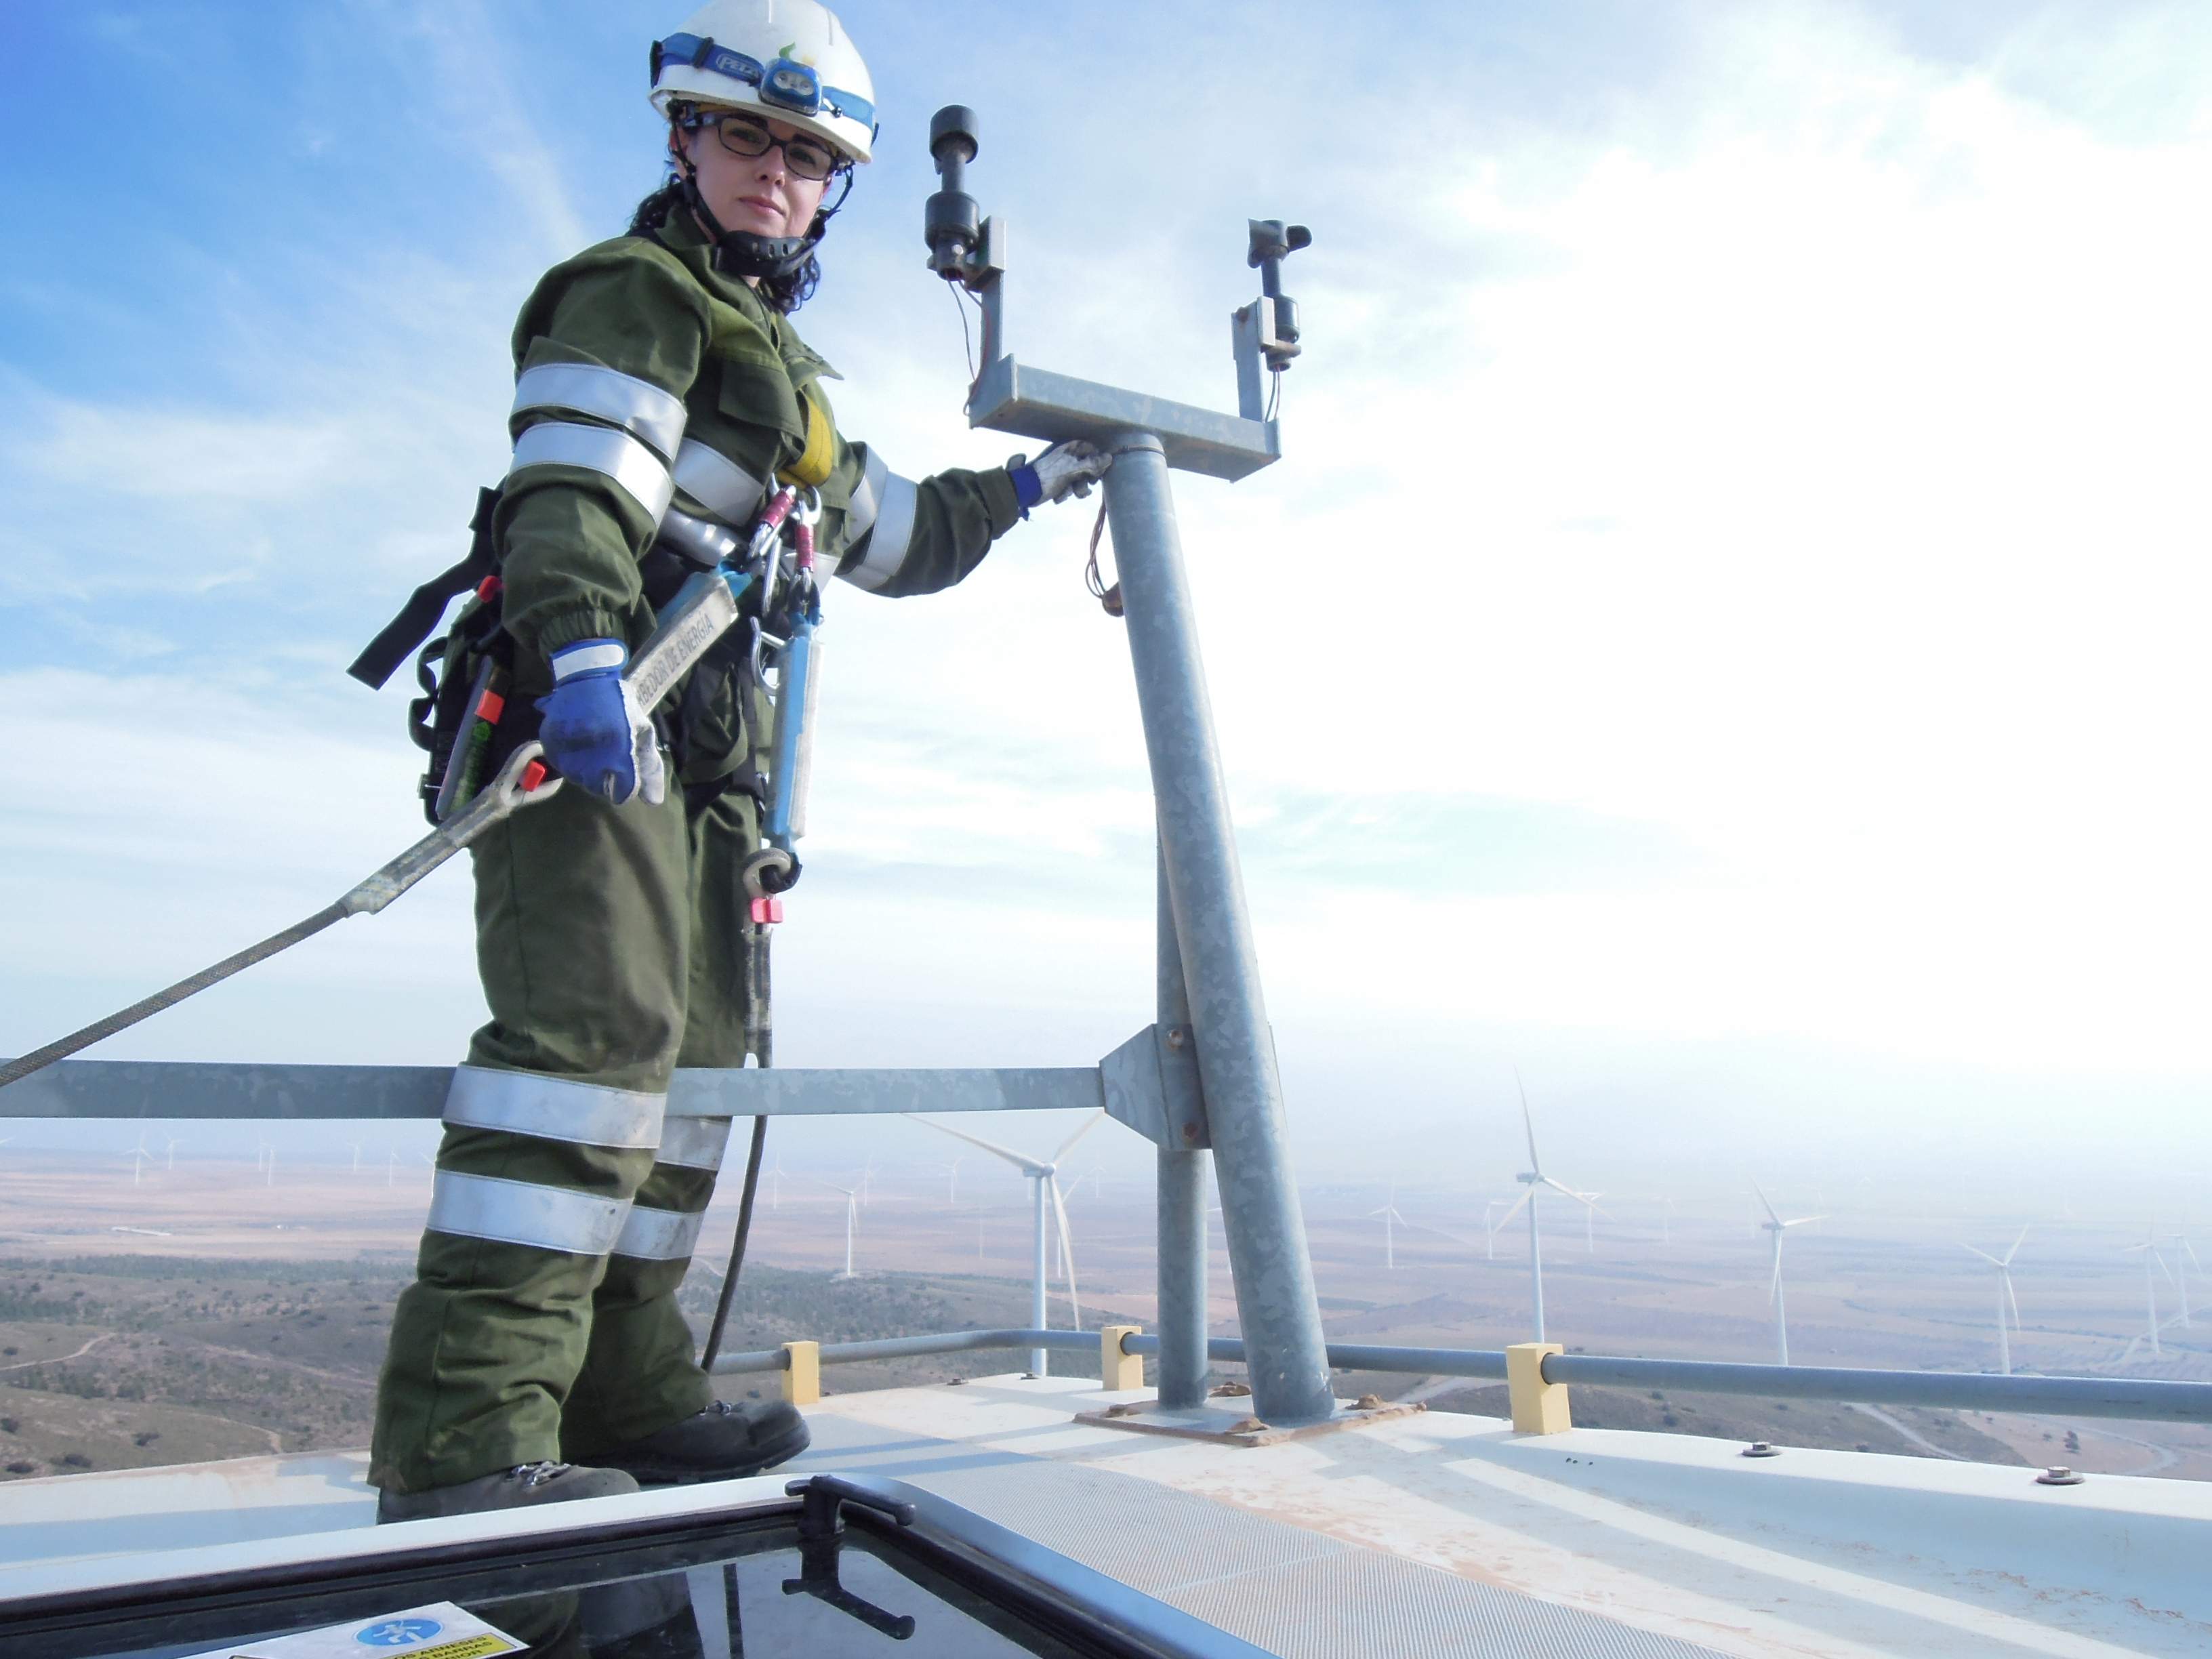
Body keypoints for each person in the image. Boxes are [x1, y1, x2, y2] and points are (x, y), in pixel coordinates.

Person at [369, 0, 1108, 1522]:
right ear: (685, 136)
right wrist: (577, 652)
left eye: (809, 154)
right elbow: (570, 488)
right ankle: (464, 1443)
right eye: (748, 137)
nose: (777, 173)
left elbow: (891, 538)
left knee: (693, 1073)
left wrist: (1029, 489)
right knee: (588, 1058)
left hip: (709, 770)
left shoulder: (789, 380)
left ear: (835, 184)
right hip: (597, 727)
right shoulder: (634, 297)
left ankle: (626, 1394)